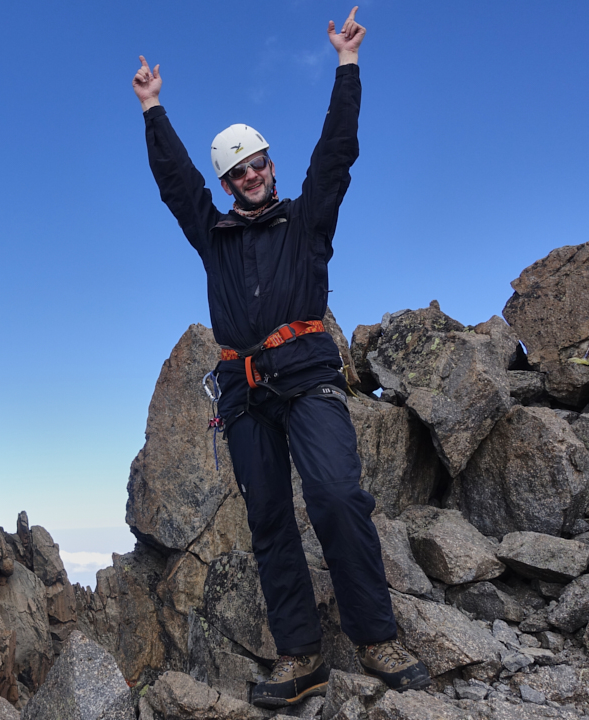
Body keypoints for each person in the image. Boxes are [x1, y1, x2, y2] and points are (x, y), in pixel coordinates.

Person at [131, 6, 430, 710]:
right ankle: (300, 658)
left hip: (307, 378)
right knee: (268, 522)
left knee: (333, 495)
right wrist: (152, 108)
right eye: (239, 172)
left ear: (271, 162)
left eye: (258, 163)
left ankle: (375, 637)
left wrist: (346, 64)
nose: (253, 176)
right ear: (229, 183)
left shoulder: (307, 220)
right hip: (241, 391)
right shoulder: (214, 235)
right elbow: (177, 184)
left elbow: (337, 150)